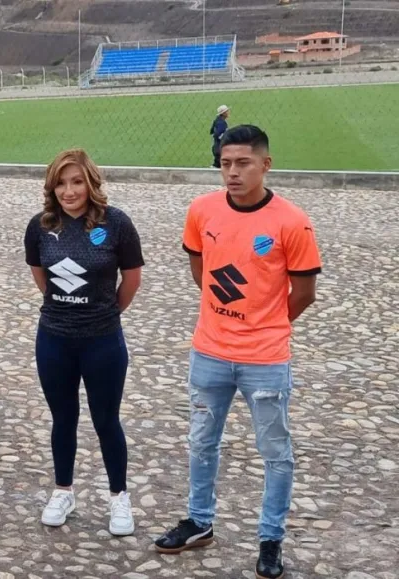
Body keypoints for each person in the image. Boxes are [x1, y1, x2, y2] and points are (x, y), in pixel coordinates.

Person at [154, 125, 321, 579]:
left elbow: (303, 292)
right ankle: (199, 521)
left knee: (275, 452)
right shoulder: (202, 210)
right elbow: (200, 270)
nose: (232, 172)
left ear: (265, 164)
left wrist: (264, 324)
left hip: (265, 360)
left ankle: (270, 540)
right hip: (208, 352)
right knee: (202, 441)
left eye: (243, 163)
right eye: (226, 163)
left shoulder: (292, 221)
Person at [23, 149, 143, 534]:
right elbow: (41, 277)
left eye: (76, 181)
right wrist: (66, 310)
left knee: (106, 420)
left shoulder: (117, 223)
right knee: (64, 419)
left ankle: (119, 498)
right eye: (61, 182)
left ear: (91, 183)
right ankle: (63, 490)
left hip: (102, 340)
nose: (69, 190)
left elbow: (132, 279)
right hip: (54, 339)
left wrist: (103, 313)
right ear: (51, 186)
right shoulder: (39, 226)